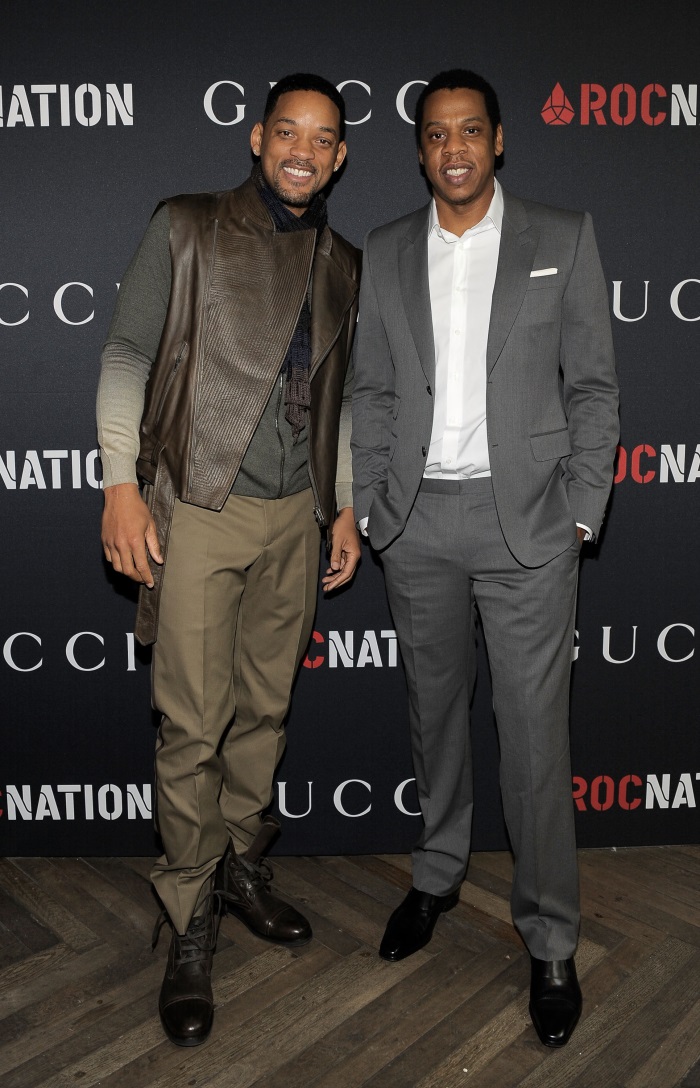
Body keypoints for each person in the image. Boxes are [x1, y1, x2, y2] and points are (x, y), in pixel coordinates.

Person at [351, 69, 618, 1048]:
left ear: (498, 139)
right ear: (420, 149)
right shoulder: (385, 247)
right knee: (435, 719)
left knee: (536, 740)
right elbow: (372, 389)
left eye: (469, 130)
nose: (453, 147)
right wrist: (371, 506)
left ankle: (550, 936)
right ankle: (436, 876)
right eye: (436, 133)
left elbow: (593, 386)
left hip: (528, 528)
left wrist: (581, 510)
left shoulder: (562, 236)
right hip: (417, 523)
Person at [97, 73, 361, 1047]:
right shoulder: (188, 225)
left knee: (265, 710)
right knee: (192, 726)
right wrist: (120, 483)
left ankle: (240, 864)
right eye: (287, 131)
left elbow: (338, 398)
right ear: (257, 138)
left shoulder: (343, 260)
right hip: (200, 509)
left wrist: (342, 505)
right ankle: (189, 911)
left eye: (322, 138)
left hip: (297, 518)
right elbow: (127, 353)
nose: (302, 150)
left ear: (339, 157)